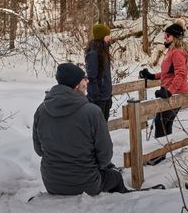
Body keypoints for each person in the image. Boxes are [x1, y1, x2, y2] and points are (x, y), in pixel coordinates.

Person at [33, 62, 128, 195]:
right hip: (86, 183)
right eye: (83, 78)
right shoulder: (92, 112)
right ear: (76, 85)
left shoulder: (41, 110)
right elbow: (105, 155)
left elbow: (38, 150)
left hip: (52, 182)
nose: (87, 81)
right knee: (116, 177)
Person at [139, 18, 188, 165]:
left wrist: (169, 91)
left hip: (175, 93)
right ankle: (162, 155)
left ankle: (157, 156)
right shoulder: (172, 51)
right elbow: (168, 72)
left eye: (167, 35)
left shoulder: (177, 53)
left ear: (174, 37)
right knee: (164, 122)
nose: (164, 38)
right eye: (164, 35)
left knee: (161, 122)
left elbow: (180, 74)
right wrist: (152, 76)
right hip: (171, 91)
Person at [85, 23, 113, 121]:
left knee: (103, 128)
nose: (110, 38)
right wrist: (96, 98)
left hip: (105, 97)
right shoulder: (93, 54)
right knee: (97, 129)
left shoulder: (103, 52)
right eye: (108, 36)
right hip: (98, 99)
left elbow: (106, 77)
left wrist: (109, 95)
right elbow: (92, 78)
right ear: (101, 37)